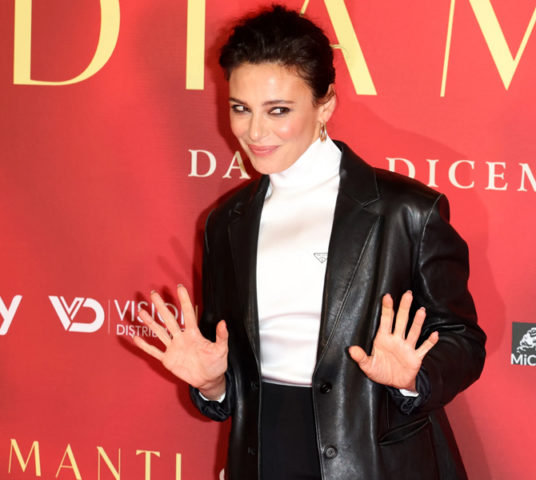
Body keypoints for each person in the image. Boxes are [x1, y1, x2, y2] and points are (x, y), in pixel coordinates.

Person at [133, 5, 486, 479]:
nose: (255, 132)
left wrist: (411, 377)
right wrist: (214, 383)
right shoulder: (227, 223)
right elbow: (229, 373)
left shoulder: (407, 212)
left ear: (325, 106)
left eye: (278, 110)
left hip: (373, 460)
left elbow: (464, 340)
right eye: (241, 108)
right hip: (263, 455)